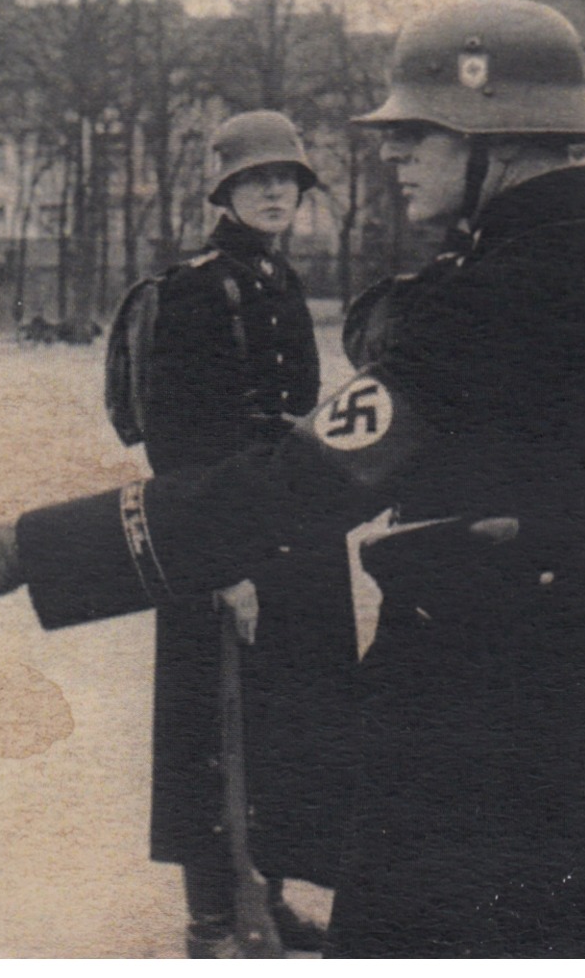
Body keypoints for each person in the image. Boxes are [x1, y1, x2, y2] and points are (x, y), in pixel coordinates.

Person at [0, 0, 585, 957]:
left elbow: (297, 481)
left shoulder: (483, 302)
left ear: (501, 136)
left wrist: (29, 549)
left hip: (489, 703)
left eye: (418, 131)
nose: (391, 152)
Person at [117, 110, 342, 956]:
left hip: (287, 522)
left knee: (282, 713)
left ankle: (267, 890)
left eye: (287, 179)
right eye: (258, 179)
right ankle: (211, 911)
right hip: (218, 532)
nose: (277, 190)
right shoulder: (196, 288)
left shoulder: (279, 282)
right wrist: (218, 564)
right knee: (208, 719)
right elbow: (177, 443)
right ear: (226, 191)